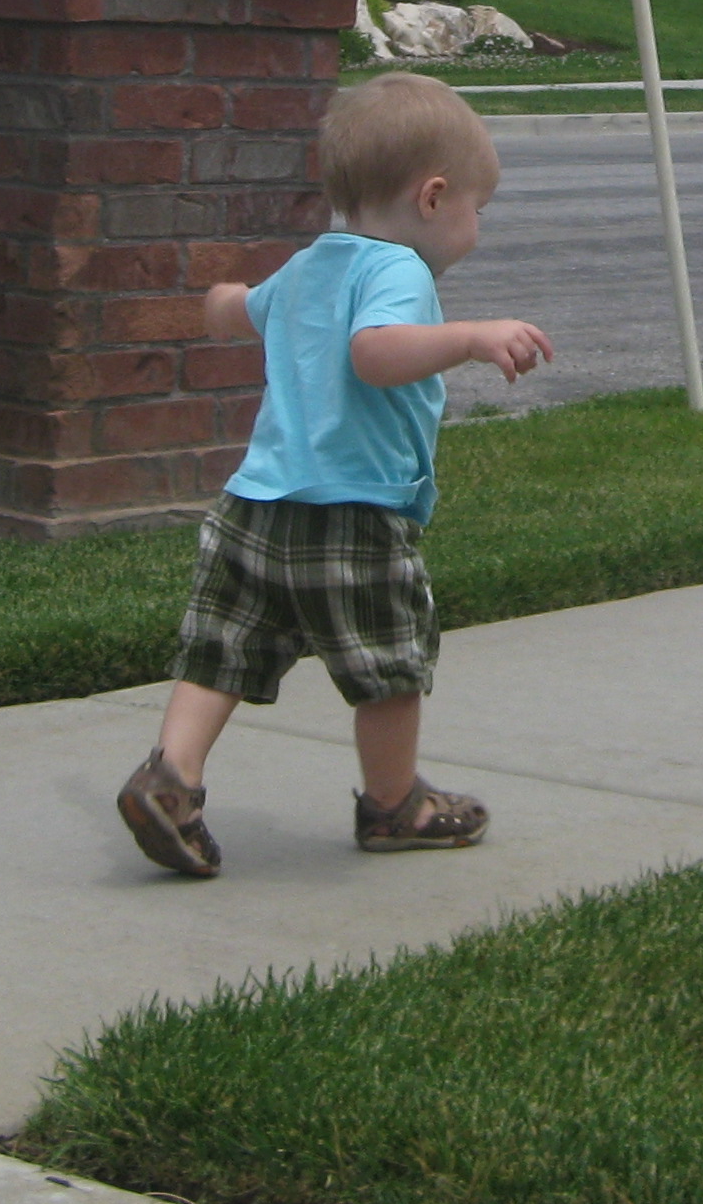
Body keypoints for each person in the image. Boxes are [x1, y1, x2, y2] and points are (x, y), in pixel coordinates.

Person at [115, 73, 552, 877]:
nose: (476, 230)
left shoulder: (314, 261)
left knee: (223, 652)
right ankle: (394, 805)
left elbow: (240, 308)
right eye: (476, 211)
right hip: (350, 513)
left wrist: (217, 299)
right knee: (388, 666)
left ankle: (170, 777)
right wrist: (469, 337)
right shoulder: (397, 272)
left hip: (256, 505)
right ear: (432, 197)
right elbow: (374, 353)